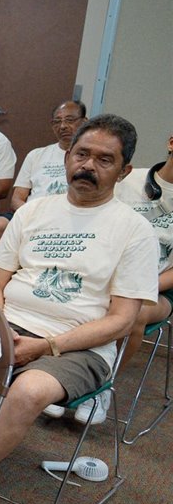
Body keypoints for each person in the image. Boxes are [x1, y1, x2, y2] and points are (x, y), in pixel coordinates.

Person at [0, 114, 156, 469]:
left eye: (105, 160)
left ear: (124, 171)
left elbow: (121, 321)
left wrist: (46, 346)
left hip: (78, 348)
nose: (88, 166)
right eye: (82, 154)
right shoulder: (32, 212)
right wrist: (1, 329)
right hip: (8, 327)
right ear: (68, 157)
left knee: (28, 392)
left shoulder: (135, 230)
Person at [114, 132, 173, 367]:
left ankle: (104, 381)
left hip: (158, 287)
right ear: (171, 143)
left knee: (134, 313)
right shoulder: (128, 180)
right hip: (108, 272)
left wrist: (138, 288)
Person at [12, 101, 87, 209]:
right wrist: (31, 215)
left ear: (84, 122)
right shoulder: (35, 155)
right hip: (31, 213)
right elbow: (16, 199)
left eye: (69, 120)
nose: (62, 126)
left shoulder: (91, 159)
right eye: (57, 122)